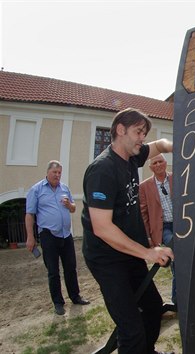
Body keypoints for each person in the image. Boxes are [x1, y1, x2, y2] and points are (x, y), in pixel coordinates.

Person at [82, 108, 174, 354]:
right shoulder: (102, 170)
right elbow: (102, 228)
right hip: (107, 259)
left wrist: (180, 146)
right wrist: (147, 252)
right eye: (138, 132)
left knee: (154, 308)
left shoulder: (133, 156)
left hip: (130, 253)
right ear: (120, 130)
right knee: (130, 328)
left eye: (144, 133)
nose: (142, 138)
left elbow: (161, 145)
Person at [25, 160, 90, 316]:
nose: (57, 175)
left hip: (65, 234)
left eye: (59, 172)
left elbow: (74, 208)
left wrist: (69, 205)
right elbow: (29, 214)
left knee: (71, 268)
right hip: (48, 235)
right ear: (48, 172)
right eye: (55, 172)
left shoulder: (64, 188)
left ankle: (75, 296)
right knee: (53, 271)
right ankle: (58, 303)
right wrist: (30, 237)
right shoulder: (37, 190)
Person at [139, 154, 176, 306]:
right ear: (150, 167)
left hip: (183, 223)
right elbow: (143, 214)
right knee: (177, 252)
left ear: (166, 163)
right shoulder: (144, 187)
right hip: (164, 228)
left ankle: (179, 299)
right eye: (155, 162)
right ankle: (178, 300)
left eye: (161, 161)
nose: (159, 164)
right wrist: (148, 237)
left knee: (179, 261)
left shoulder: (177, 178)